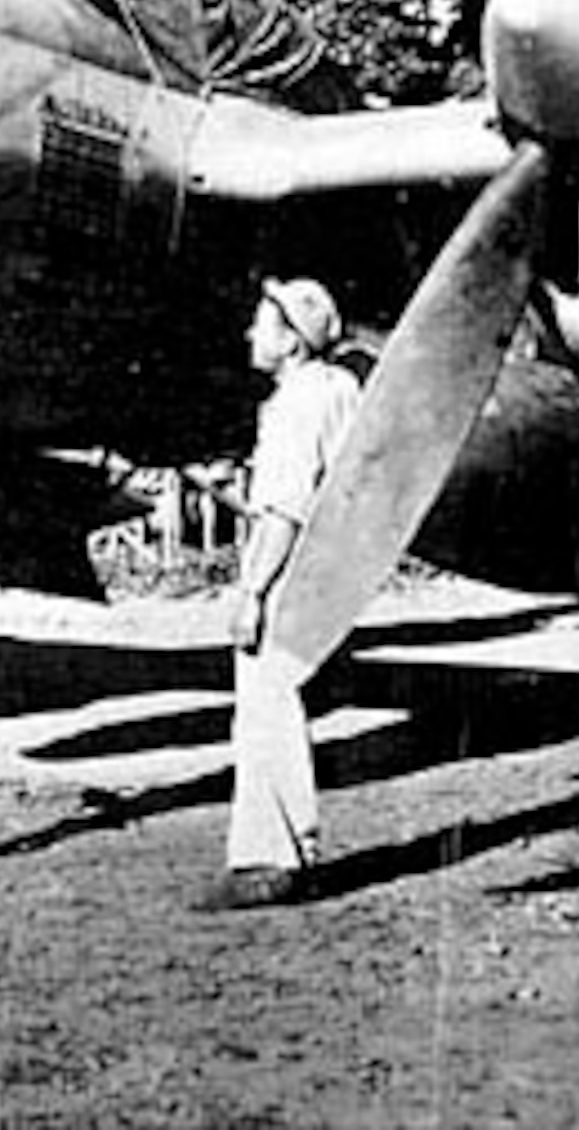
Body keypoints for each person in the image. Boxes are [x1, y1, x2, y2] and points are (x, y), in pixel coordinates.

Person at [197, 277, 362, 912]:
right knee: (281, 702)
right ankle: (290, 849)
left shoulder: (295, 403)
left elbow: (285, 512)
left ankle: (270, 859)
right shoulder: (339, 388)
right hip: (326, 569)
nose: (249, 334)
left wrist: (251, 592)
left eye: (262, 325)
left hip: (288, 572)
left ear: (290, 341)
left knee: (265, 708)